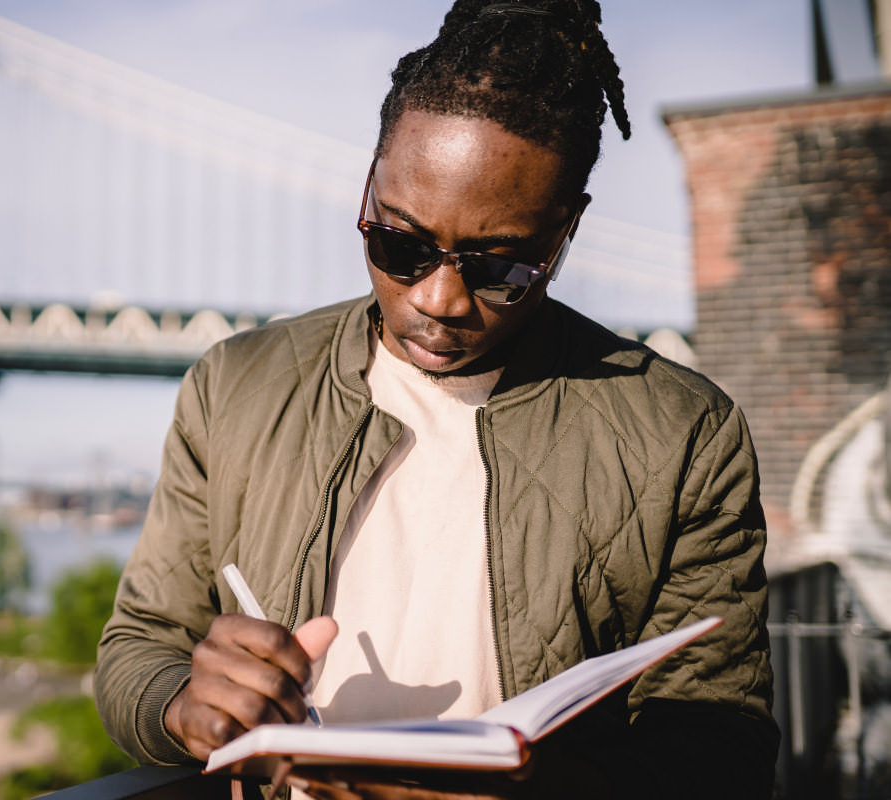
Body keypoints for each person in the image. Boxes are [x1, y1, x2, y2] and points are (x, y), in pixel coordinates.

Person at [94, 1, 777, 797]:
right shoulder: (237, 385)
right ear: (368, 191)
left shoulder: (686, 434)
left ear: (565, 232)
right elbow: (139, 648)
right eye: (402, 245)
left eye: (500, 266)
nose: (442, 300)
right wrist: (179, 701)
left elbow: (719, 744)